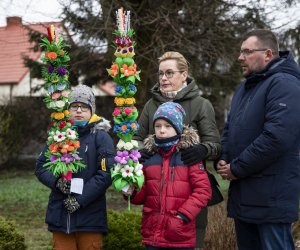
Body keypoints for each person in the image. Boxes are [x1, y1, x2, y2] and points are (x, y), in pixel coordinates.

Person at [216, 29, 300, 250]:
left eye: (247, 51)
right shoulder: (244, 88)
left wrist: (238, 168)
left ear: (268, 54)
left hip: (270, 198)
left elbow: (277, 138)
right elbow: (230, 130)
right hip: (245, 195)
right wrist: (224, 158)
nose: (240, 57)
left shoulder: (285, 84)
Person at [134, 51, 221, 249]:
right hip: (157, 191)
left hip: (187, 192)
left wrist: (202, 150)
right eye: (160, 73)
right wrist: (140, 151)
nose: (163, 78)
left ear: (184, 74)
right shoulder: (151, 105)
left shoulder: (201, 105)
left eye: (169, 73)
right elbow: (136, 139)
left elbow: (215, 146)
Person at [35, 85, 115, 250]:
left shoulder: (101, 137)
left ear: (92, 110)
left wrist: (81, 200)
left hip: (90, 219)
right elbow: (41, 167)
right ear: (68, 109)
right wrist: (57, 182)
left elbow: (105, 174)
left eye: (84, 106)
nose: (79, 110)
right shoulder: (58, 136)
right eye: (74, 106)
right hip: (60, 217)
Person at [124, 101, 212, 249]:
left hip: (179, 234)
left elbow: (203, 191)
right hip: (152, 234)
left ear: (178, 128)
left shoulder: (188, 157)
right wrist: (132, 193)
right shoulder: (149, 158)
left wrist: (183, 215)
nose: (162, 131)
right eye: (158, 126)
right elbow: (144, 194)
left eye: (168, 126)